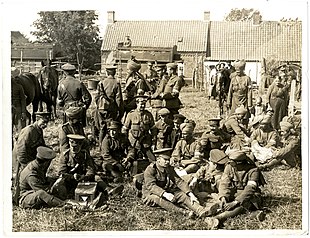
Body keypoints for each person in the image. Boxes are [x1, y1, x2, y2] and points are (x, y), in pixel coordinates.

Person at [142, 148, 219, 220]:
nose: (168, 162)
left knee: (182, 195)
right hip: (150, 194)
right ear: (158, 159)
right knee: (159, 199)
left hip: (165, 190)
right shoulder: (150, 169)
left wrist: (191, 194)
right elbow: (151, 186)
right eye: (165, 160)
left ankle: (201, 210)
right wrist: (165, 194)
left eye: (168, 160)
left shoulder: (168, 168)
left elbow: (178, 181)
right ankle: (184, 212)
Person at [207, 150, 266, 229]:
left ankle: (218, 218)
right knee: (223, 200)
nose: (229, 163)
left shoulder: (253, 170)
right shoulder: (229, 167)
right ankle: (254, 213)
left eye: (232, 162)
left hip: (250, 195)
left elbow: (250, 189)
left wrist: (235, 202)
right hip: (235, 192)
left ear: (239, 163)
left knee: (244, 203)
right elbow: (224, 183)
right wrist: (223, 196)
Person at [122, 95, 156, 173]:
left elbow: (153, 129)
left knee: (153, 159)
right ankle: (129, 173)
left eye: (144, 104)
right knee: (131, 158)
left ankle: (152, 172)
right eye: (141, 104)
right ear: (137, 103)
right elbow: (125, 129)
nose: (142, 106)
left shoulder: (148, 115)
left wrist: (154, 142)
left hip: (145, 142)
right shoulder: (131, 114)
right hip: (133, 142)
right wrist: (125, 142)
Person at [94, 65, 124, 146]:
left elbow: (96, 97)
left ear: (107, 72)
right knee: (111, 127)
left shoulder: (102, 82)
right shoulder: (116, 83)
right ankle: (109, 145)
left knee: (102, 127)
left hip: (101, 108)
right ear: (114, 72)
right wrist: (120, 111)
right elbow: (119, 99)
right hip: (111, 109)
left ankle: (101, 146)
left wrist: (99, 105)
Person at [11, 67, 27, 134]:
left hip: (17, 109)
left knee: (20, 130)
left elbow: (23, 99)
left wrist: (23, 112)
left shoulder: (19, 87)